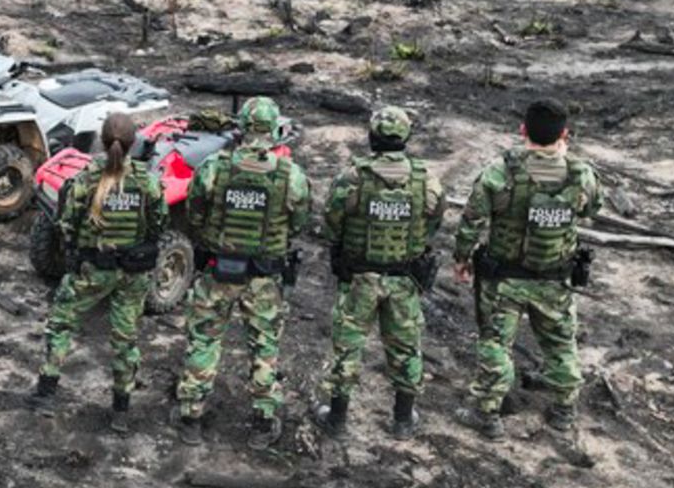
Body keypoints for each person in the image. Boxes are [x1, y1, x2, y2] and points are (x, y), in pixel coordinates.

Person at [453, 99, 603, 441]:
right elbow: (594, 206)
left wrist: (461, 258)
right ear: (565, 134)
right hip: (554, 277)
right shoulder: (581, 174)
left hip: (503, 279)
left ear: (523, 131)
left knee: (494, 342)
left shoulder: (500, 172)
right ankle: (564, 410)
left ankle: (487, 414)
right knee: (560, 342)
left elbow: (472, 219)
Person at [175, 96, 312, 450]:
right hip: (264, 277)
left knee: (204, 340)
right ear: (273, 129)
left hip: (219, 271)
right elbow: (299, 222)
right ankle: (263, 423)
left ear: (242, 127)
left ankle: (191, 416)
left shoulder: (213, 167)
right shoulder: (290, 175)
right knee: (264, 347)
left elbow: (195, 212)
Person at [26, 113, 168, 434]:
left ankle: (45, 394)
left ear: (102, 142)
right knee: (125, 338)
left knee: (61, 324)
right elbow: (159, 224)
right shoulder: (147, 180)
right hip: (133, 273)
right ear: (133, 144)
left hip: (92, 269)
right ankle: (121, 412)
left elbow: (66, 224)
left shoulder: (86, 179)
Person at [311, 106, 445, 440]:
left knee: (347, 346)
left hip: (359, 278)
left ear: (372, 137)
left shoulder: (352, 177)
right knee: (405, 346)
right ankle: (402, 420)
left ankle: (337, 420)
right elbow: (434, 221)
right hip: (405, 279)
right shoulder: (425, 179)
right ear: (406, 138)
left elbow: (331, 223)